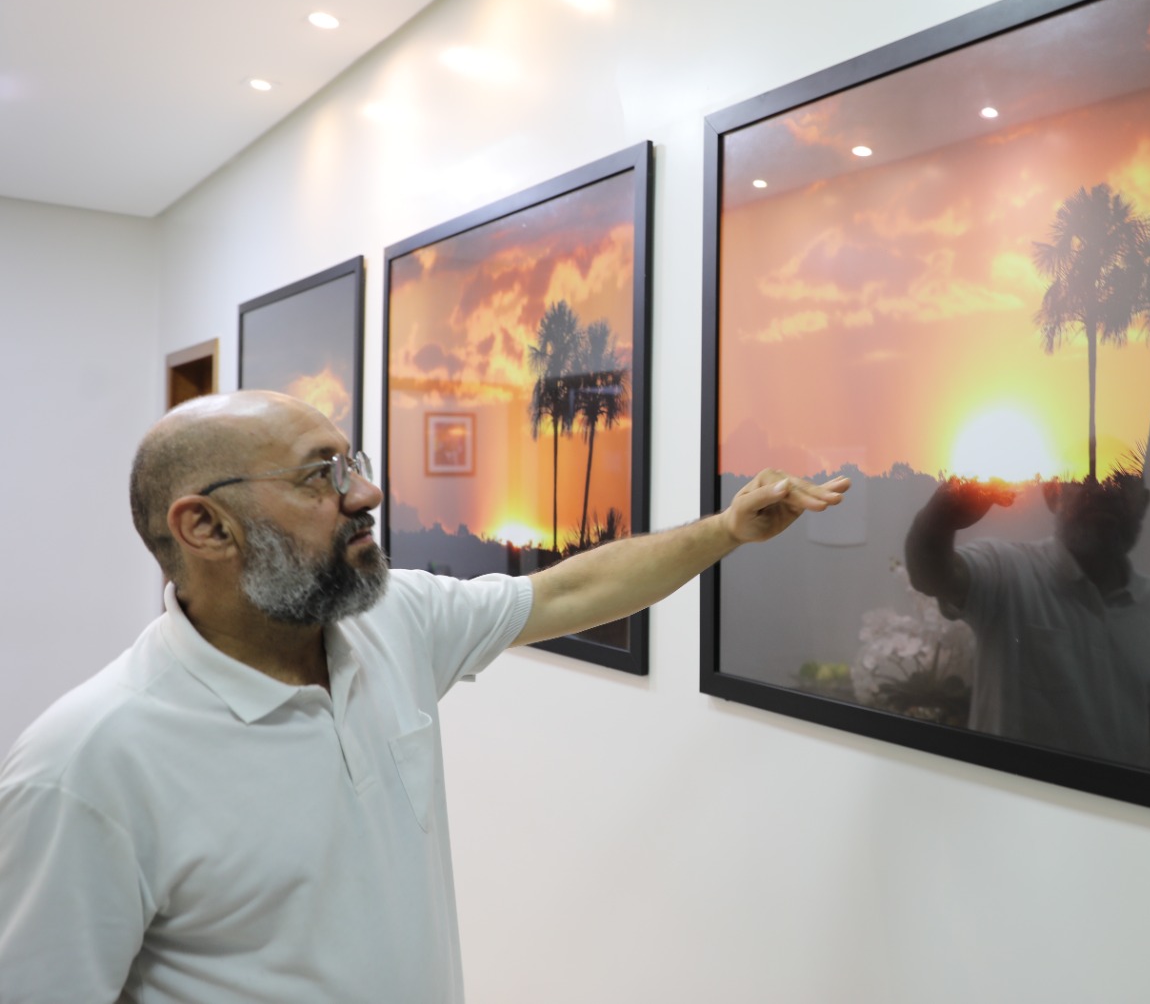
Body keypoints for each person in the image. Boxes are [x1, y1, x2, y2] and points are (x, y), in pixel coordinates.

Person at [0, 390, 848, 1003]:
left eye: (352, 463)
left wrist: (728, 530)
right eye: (317, 476)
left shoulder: (391, 621)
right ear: (206, 528)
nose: (363, 494)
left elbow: (563, 595)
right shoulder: (85, 764)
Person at [903, 471, 1150, 776]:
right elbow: (931, 575)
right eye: (1086, 477)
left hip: (1116, 819)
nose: (1104, 491)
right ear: (1051, 493)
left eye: (1122, 484)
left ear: (1144, 503)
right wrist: (939, 519)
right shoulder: (1007, 570)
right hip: (1010, 814)